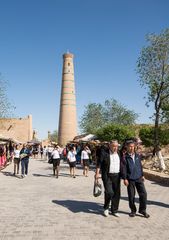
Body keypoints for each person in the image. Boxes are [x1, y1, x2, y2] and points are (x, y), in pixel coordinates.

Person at [122, 140, 150, 218]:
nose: (132, 148)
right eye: (130, 146)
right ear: (127, 147)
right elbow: (123, 168)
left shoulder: (137, 155)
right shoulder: (124, 157)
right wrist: (125, 178)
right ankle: (133, 210)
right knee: (131, 196)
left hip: (139, 178)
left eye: (133, 146)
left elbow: (140, 166)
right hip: (130, 179)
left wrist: (142, 175)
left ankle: (142, 210)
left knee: (143, 194)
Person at [95, 140, 121, 217]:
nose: (115, 148)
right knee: (109, 192)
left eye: (116, 146)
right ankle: (106, 208)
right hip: (107, 175)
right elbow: (99, 163)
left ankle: (114, 210)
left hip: (117, 175)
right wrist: (97, 173)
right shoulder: (104, 153)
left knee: (117, 193)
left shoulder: (119, 153)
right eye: (114, 146)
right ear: (110, 146)